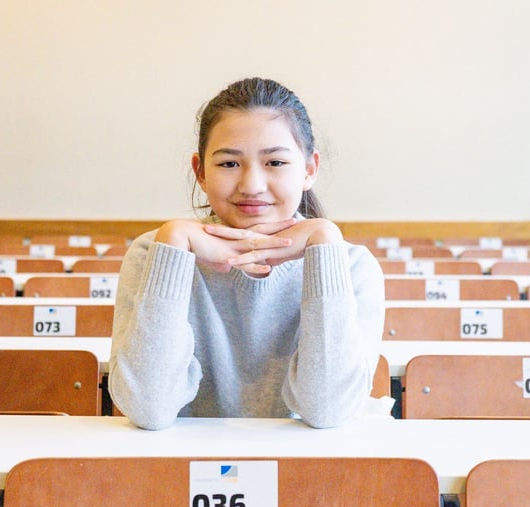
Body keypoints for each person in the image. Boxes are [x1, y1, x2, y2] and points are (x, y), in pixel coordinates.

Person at [108, 77, 384, 430]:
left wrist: (325, 241)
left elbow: (327, 410)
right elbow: (149, 408)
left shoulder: (351, 265)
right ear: (200, 172)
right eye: (228, 164)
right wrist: (174, 240)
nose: (252, 185)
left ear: (309, 169)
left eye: (276, 163)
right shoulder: (154, 254)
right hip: (181, 473)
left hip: (312, 474)